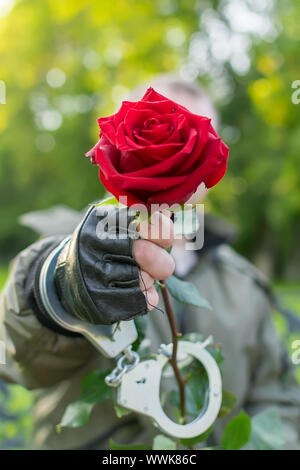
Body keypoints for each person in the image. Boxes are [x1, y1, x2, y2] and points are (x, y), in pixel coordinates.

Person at [0, 76, 299, 450]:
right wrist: (60, 287)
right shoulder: (72, 239)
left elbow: (280, 399)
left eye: (194, 138)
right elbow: (15, 349)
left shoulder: (243, 282)